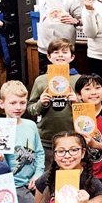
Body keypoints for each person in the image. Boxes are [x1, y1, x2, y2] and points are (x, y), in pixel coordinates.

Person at [27, 38, 81, 171]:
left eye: (65, 52)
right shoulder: (41, 81)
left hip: (73, 137)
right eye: (56, 52)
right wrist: (41, 103)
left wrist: (77, 102)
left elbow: (89, 111)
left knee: (71, 173)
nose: (60, 55)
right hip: (47, 139)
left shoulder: (79, 80)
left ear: (72, 57)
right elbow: (31, 109)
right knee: (48, 176)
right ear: (49, 57)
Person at [0, 81, 44, 203]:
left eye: (22, 103)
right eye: (13, 103)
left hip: (35, 181)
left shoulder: (31, 125)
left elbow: (39, 152)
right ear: (1, 104)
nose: (18, 107)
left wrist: (38, 175)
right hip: (15, 185)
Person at [27, 0, 81, 74]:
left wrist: (75, 20)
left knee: (66, 77)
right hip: (45, 47)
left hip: (65, 48)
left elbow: (81, 19)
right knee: (46, 78)